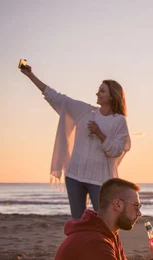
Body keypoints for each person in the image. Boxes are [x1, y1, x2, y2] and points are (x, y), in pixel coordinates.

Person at [20, 63, 131, 220]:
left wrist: (99, 133)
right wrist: (30, 75)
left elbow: (117, 150)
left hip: (99, 180)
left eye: (102, 90)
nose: (97, 93)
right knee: (78, 221)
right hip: (74, 176)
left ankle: (106, 245)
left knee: (105, 221)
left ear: (112, 96)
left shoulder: (118, 121)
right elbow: (55, 97)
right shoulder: (84, 111)